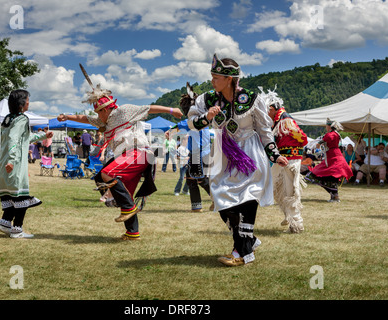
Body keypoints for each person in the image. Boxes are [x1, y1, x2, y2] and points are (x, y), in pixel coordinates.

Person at [187, 54, 288, 267]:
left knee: (248, 197)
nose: (212, 80)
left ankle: (241, 253)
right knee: (221, 197)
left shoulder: (252, 99)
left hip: (250, 153)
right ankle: (248, 241)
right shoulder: (206, 100)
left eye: (216, 77)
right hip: (223, 153)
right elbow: (192, 123)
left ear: (230, 79)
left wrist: (274, 154)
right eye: (212, 76)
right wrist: (207, 118)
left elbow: (264, 129)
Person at [57, 82, 183, 241]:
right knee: (123, 193)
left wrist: (172, 110)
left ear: (105, 109)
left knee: (107, 173)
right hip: (126, 156)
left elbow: (149, 108)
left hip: (139, 152)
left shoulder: (124, 111)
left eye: (99, 112)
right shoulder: (103, 121)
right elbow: (85, 119)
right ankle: (132, 233)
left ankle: (130, 208)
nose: (98, 117)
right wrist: (67, 116)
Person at [0, 90, 53, 238]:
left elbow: (23, 138)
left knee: (11, 195)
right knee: (21, 196)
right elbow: (14, 140)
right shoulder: (21, 119)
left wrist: (43, 135)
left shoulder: (9, 118)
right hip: (14, 163)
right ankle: (17, 230)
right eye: (27, 100)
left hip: (5, 162)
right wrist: (12, 161)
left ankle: (5, 222)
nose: (29, 103)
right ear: (21, 104)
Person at [260, 87, 308, 233]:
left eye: (267, 110)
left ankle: (296, 225)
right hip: (282, 160)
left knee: (289, 192)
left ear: (274, 108)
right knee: (277, 188)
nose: (266, 113)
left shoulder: (285, 120)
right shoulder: (278, 120)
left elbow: (302, 139)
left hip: (290, 161)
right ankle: (289, 216)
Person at [178, 84, 213, 213]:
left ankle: (217, 200)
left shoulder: (192, 121)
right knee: (192, 179)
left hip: (198, 153)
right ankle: (196, 206)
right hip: (202, 152)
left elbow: (180, 125)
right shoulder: (204, 119)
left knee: (200, 178)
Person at [305, 119, 353, 202]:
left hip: (333, 157)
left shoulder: (331, 135)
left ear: (329, 126)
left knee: (320, 175)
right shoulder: (337, 134)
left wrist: (319, 143)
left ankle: (335, 196)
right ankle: (334, 196)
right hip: (334, 156)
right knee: (331, 178)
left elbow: (328, 138)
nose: (326, 128)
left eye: (326, 126)